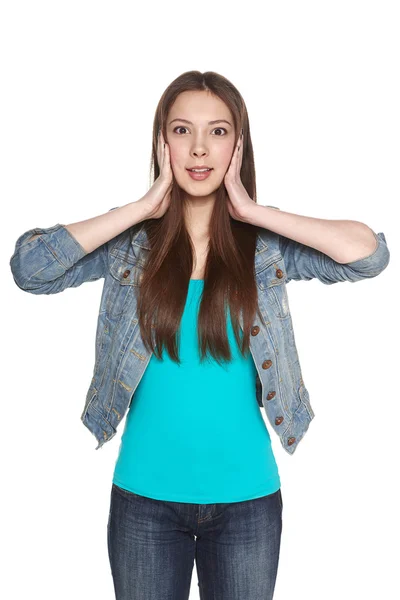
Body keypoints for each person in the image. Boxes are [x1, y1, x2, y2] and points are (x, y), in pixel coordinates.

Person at [9, 70, 390, 600]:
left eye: (218, 131)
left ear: (239, 144)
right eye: (182, 130)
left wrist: (252, 212)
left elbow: (368, 255)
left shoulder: (265, 246)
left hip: (247, 503)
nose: (198, 149)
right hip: (144, 501)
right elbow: (30, 269)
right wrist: (143, 208)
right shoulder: (130, 246)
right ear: (162, 142)